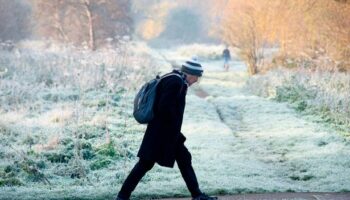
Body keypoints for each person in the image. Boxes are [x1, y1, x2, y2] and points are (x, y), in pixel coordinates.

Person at [116, 57, 217, 200]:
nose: (196, 81)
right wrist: (172, 130)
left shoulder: (175, 79)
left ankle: (197, 195)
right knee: (145, 164)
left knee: (183, 159)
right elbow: (164, 107)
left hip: (165, 132)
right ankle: (122, 196)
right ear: (191, 74)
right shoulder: (175, 82)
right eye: (197, 77)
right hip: (162, 133)